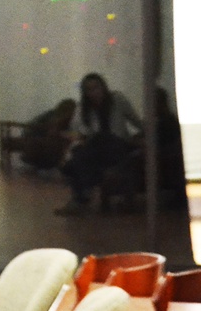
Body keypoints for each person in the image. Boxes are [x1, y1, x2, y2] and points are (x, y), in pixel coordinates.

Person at [56, 72, 143, 215]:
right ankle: (81, 196)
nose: (94, 93)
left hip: (117, 146)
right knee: (83, 151)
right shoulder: (83, 109)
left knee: (99, 139)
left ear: (103, 87)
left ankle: (81, 196)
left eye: (96, 87)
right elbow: (77, 131)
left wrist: (146, 136)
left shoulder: (117, 100)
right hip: (96, 152)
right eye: (89, 90)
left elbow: (136, 120)